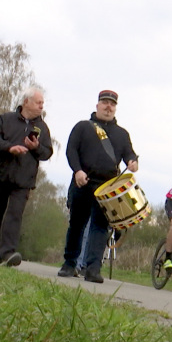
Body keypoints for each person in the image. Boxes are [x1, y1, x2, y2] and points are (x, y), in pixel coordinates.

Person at [58, 89, 138, 283]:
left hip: (108, 188)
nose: (108, 107)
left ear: (115, 108)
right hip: (82, 181)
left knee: (100, 227)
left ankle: (93, 268)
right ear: (97, 105)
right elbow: (71, 150)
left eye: (112, 104)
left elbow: (130, 154)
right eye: (105, 102)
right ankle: (69, 264)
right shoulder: (83, 127)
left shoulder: (122, 134)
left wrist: (133, 162)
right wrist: (77, 170)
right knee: (77, 224)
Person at [0, 85, 53, 266]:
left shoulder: (42, 128)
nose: (41, 106)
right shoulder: (6, 119)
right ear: (26, 102)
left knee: (14, 215)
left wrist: (36, 147)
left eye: (42, 103)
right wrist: (9, 148)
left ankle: (7, 254)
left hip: (23, 180)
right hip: (1, 175)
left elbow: (47, 153)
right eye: (38, 102)